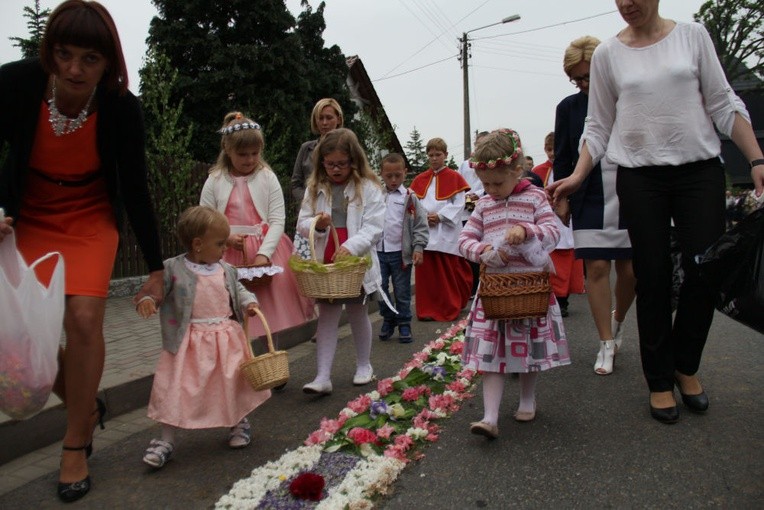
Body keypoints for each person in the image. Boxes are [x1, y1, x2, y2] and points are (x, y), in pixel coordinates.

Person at [549, 0, 764, 424]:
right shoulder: (610, 53)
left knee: (705, 271)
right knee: (652, 274)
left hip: (698, 170)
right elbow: (598, 124)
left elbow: (723, 103)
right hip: (640, 176)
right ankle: (660, 381)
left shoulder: (692, 36)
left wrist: (757, 160)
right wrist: (576, 177)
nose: (627, 4)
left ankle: (686, 366)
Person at [0, 1, 163, 502]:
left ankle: (75, 443)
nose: (74, 69)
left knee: (85, 318)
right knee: (32, 339)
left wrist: (156, 267)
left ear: (109, 63)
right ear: (49, 51)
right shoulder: (14, 83)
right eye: (64, 54)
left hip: (90, 217)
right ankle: (86, 403)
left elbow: (135, 188)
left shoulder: (121, 108)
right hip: (27, 218)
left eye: (89, 59)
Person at [136, 206, 270, 469]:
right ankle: (166, 438)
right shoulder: (172, 269)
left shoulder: (225, 268)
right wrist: (149, 299)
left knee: (231, 382)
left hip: (225, 339)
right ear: (197, 244)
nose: (224, 248)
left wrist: (249, 303)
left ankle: (238, 423)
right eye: (220, 243)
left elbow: (239, 289)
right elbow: (156, 289)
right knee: (176, 388)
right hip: (188, 342)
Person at [459, 129, 569, 439]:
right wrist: (483, 252)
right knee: (490, 355)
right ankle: (490, 417)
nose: (491, 190)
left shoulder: (534, 198)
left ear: (516, 171)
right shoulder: (483, 205)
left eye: (497, 183)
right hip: (494, 291)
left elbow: (553, 231)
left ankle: (527, 398)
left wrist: (527, 229)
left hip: (528, 289)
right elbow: (464, 240)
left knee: (528, 349)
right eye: (486, 184)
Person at [554, 35, 636, 376]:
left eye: (587, 76)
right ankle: (605, 342)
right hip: (588, 194)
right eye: (576, 78)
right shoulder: (567, 108)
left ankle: (618, 319)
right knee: (597, 269)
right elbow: (563, 157)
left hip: (633, 191)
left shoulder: (629, 97)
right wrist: (563, 198)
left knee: (632, 272)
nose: (583, 84)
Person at [200, 111, 314, 342]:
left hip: (267, 253)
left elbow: (277, 220)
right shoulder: (215, 179)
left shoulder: (267, 177)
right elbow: (205, 218)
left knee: (271, 313)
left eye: (255, 153)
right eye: (242, 154)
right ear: (227, 149)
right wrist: (224, 239)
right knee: (234, 311)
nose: (250, 159)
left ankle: (271, 357)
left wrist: (264, 254)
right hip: (228, 254)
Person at [296, 128, 385, 395]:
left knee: (358, 311)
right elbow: (302, 222)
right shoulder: (315, 188)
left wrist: (349, 246)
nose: (335, 169)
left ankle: (364, 365)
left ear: (353, 161)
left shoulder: (368, 187)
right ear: (321, 162)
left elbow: (374, 227)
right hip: (327, 258)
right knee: (327, 315)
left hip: (354, 259)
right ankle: (323, 376)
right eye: (330, 163)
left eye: (341, 164)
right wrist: (316, 224)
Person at [410, 137, 472, 321]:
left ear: (445, 155)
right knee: (427, 274)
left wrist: (440, 216)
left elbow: (458, 204)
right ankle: (427, 309)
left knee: (447, 271)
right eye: (431, 155)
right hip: (426, 230)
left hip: (446, 230)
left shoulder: (455, 177)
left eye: (438, 154)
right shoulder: (420, 179)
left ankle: (447, 307)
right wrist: (422, 217)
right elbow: (414, 202)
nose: (434, 158)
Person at [376, 152, 429, 343]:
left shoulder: (410, 197)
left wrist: (418, 248)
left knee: (402, 290)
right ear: (381, 173)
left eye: (397, 175)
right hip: (378, 253)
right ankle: (389, 318)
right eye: (388, 176)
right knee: (379, 289)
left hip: (400, 254)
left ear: (405, 173)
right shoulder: (376, 196)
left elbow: (420, 225)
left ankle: (404, 323)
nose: (393, 180)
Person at [532, 131, 585, 318]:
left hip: (566, 221)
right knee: (550, 262)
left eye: (554, 149)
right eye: (548, 149)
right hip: (547, 221)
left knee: (567, 262)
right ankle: (549, 298)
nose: (551, 153)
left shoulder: (574, 168)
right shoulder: (537, 171)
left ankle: (563, 301)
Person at [290, 98, 344, 259]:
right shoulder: (307, 149)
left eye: (329, 117)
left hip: (338, 215)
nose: (324, 122)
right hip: (310, 218)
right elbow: (296, 182)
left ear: (338, 119)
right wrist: (309, 200)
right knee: (309, 271)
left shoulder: (347, 147)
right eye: (320, 118)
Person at [459, 131, 489, 297]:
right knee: (468, 248)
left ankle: (482, 284)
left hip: (483, 205)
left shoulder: (492, 163)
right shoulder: (465, 165)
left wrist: (478, 194)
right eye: (479, 144)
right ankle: (471, 286)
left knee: (484, 247)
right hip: (466, 209)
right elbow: (460, 183)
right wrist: (466, 196)